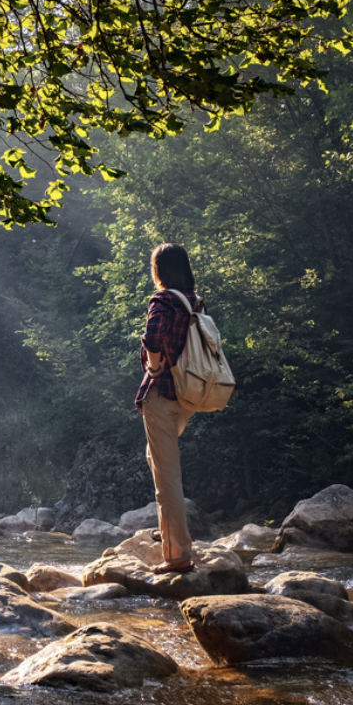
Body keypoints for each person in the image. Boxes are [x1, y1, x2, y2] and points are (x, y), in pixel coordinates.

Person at [136, 243, 199, 574]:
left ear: (158, 270)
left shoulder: (163, 300)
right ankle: (170, 529)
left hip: (161, 394)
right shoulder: (193, 302)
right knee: (156, 458)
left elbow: (153, 333)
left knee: (166, 478)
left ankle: (177, 556)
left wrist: (156, 367)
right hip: (187, 395)